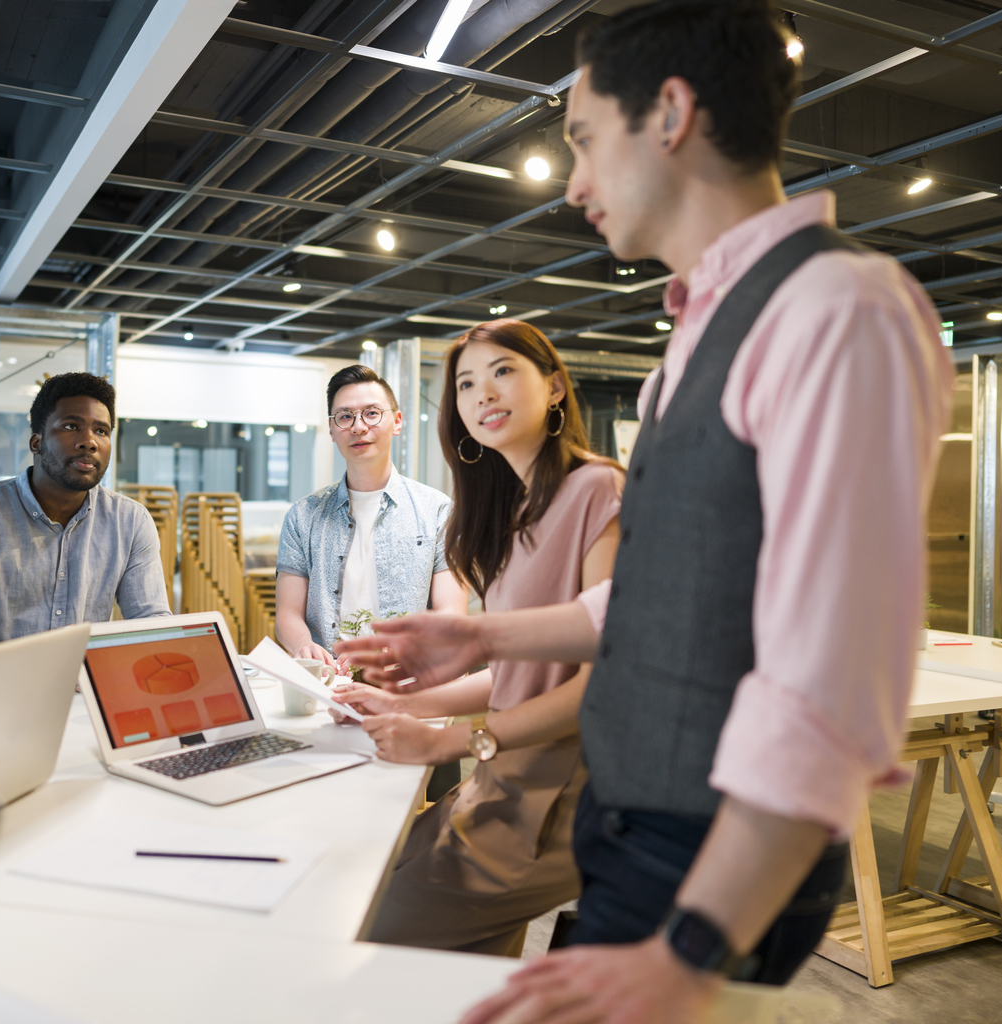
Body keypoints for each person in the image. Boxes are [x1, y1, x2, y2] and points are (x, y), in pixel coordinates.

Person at [339, 2, 952, 1020]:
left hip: (702, 861)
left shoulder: (840, 309)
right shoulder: (693, 345)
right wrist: (478, 631)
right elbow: (657, 600)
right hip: (631, 830)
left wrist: (692, 943)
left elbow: (833, 676)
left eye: (582, 139)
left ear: (670, 113)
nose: (574, 180)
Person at [333, 320, 622, 956]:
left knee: (364, 936)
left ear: (554, 387)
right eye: (466, 384)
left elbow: (606, 687)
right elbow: (525, 669)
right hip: (500, 780)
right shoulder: (515, 511)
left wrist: (455, 740)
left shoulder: (597, 488)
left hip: (564, 796)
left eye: (503, 372)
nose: (482, 394)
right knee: (446, 957)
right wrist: (406, 705)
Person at [0, 371, 170, 733]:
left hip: (84, 693)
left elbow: (151, 622)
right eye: (71, 426)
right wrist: (50, 680)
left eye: (101, 430)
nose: (89, 441)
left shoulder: (130, 521)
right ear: (36, 442)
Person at [275, 364, 465, 673]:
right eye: (345, 416)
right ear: (333, 430)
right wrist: (302, 645)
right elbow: (287, 615)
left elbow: (450, 615)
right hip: (328, 677)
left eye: (372, 413)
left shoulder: (438, 511)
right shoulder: (302, 516)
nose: (359, 427)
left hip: (408, 676)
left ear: (397, 421)